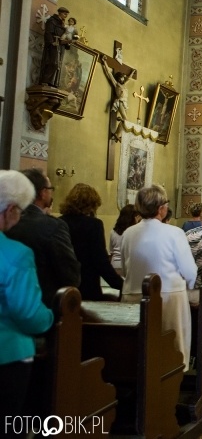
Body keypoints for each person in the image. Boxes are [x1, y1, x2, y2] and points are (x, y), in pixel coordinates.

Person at [121, 185, 197, 370]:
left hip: (134, 296)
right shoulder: (174, 233)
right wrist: (191, 286)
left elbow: (125, 267)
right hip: (169, 298)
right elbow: (189, 270)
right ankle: (170, 383)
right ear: (161, 208)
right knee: (172, 349)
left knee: (141, 347)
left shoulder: (129, 233)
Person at [0, 171, 54, 421]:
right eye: (19, 211)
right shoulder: (16, 254)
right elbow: (28, 314)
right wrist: (50, 317)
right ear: (9, 209)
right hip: (8, 354)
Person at [6, 168, 80, 307]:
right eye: (50, 188)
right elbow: (70, 275)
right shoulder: (53, 226)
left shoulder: (7, 222)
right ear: (43, 192)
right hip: (43, 306)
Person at [60, 183, 124, 301]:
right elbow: (100, 261)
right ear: (91, 205)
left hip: (64, 288)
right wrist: (122, 285)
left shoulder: (59, 223)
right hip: (88, 287)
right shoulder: (93, 225)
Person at [40, 7, 70, 87]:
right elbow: (48, 32)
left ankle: (53, 82)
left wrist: (68, 41)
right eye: (64, 14)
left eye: (67, 14)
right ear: (59, 13)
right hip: (54, 44)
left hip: (60, 46)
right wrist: (51, 42)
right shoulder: (52, 21)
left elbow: (65, 35)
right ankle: (45, 80)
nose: (66, 16)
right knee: (53, 62)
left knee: (59, 64)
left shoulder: (62, 24)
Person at [110, 204, 139, 273]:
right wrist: (137, 224)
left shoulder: (113, 232)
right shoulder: (132, 232)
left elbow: (111, 251)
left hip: (114, 264)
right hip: (127, 264)